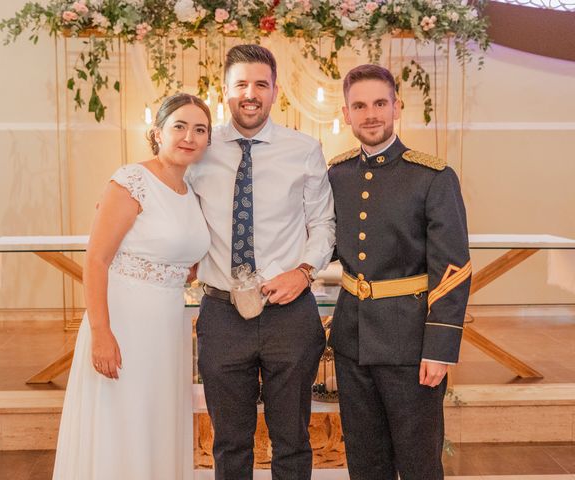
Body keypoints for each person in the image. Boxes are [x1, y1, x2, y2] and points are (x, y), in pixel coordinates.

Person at [188, 44, 335, 480]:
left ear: (275, 92)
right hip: (221, 312)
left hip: (288, 313)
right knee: (229, 442)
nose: (250, 93)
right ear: (225, 91)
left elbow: (324, 223)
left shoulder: (304, 149)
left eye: (260, 84)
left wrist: (304, 271)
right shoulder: (201, 149)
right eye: (240, 84)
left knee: (291, 438)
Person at [52, 93, 212, 480]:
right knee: (122, 418)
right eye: (179, 126)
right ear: (157, 133)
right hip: (124, 321)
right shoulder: (132, 180)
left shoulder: (191, 192)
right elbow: (96, 260)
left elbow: (183, 257)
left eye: (200, 129)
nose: (189, 136)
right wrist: (101, 332)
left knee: (155, 416)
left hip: (167, 325)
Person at [327, 64, 471, 480]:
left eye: (379, 103)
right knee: (364, 458)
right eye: (359, 105)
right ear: (346, 113)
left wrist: (439, 348)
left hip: (411, 343)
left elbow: (454, 269)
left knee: (418, 459)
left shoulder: (433, 177)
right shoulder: (336, 175)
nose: (370, 114)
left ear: (396, 107)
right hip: (353, 339)